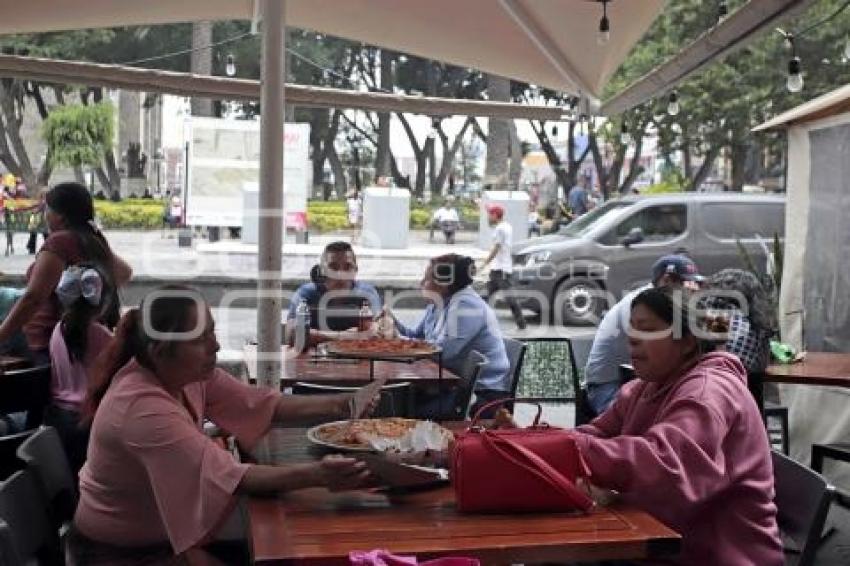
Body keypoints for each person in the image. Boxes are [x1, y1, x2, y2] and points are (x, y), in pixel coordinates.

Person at [71, 286, 385, 562]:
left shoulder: (183, 375)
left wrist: (343, 402)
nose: (216, 347)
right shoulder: (141, 409)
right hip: (120, 555)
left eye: (213, 332)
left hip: (159, 539)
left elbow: (260, 402)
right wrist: (318, 475)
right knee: (277, 540)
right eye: (202, 338)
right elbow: (232, 476)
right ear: (160, 352)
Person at [572, 286, 783, 565]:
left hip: (718, 555)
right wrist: (536, 442)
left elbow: (664, 462)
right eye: (632, 328)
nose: (632, 338)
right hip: (663, 541)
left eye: (646, 329)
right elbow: (597, 433)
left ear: (687, 342)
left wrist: (567, 448)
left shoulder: (707, 393)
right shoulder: (644, 387)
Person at [0, 182, 132, 365]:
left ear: (60, 216)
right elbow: (124, 273)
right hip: (77, 340)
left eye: (48, 209)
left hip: (46, 341)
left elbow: (33, 298)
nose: (45, 215)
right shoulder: (93, 241)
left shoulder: (59, 242)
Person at [380, 254, 510, 418]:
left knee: (399, 405)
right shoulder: (437, 304)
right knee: (395, 398)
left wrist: (395, 340)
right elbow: (416, 337)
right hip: (451, 386)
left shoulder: (466, 306)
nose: (421, 283)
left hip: (481, 395)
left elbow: (440, 353)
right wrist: (393, 321)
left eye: (426, 279)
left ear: (444, 284)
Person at [584, 254, 703, 415]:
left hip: (635, 380)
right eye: (685, 283)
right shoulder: (642, 303)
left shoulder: (665, 303)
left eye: (695, 283)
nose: (691, 288)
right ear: (666, 280)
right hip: (609, 385)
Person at [45, 265, 114, 475]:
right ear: (102, 301)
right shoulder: (100, 335)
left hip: (57, 417)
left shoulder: (57, 330)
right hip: (89, 419)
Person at [284, 241, 381, 347]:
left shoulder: (367, 293)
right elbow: (292, 334)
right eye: (333, 267)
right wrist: (344, 336)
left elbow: (378, 332)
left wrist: (316, 336)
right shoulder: (307, 293)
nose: (340, 274)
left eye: (347, 267)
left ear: (355, 270)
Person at [704, 268, 776, 374]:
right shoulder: (758, 323)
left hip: (720, 383)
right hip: (750, 386)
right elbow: (761, 365)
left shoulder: (718, 312)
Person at [481, 203, 526, 330]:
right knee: (485, 296)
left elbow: (497, 247)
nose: (488, 217)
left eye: (490, 214)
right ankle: (480, 322)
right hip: (498, 269)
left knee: (510, 298)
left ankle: (521, 323)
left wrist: (485, 262)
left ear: (495, 215)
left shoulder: (500, 229)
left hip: (502, 270)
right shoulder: (506, 226)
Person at [25, 189, 49, 254]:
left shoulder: (43, 202)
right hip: (40, 221)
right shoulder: (43, 202)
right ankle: (31, 247)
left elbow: (36, 210)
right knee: (41, 234)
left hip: (42, 221)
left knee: (43, 234)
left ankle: (31, 247)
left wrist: (33, 211)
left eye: (45, 194)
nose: (44, 196)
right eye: (43, 194)